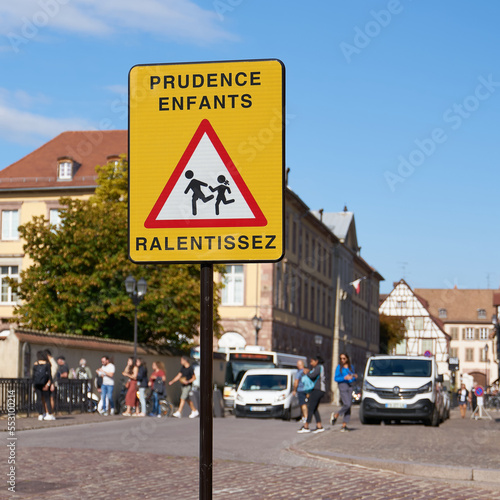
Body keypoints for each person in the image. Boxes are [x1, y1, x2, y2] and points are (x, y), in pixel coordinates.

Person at [298, 354, 325, 434]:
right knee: (315, 408)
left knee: (311, 407)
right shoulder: (318, 367)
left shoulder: (318, 367)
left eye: (312, 361)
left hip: (318, 389)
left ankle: (306, 426)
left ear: (316, 361)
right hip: (317, 389)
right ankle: (319, 426)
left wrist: (307, 372)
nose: (311, 363)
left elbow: (312, 376)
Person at [331, 353, 358, 432]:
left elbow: (352, 377)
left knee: (349, 405)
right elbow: (336, 378)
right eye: (341, 358)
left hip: (350, 386)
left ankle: (344, 425)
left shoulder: (351, 367)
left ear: (347, 359)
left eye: (344, 358)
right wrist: (344, 378)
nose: (342, 360)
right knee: (347, 404)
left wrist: (354, 377)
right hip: (342, 385)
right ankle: (337, 414)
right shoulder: (339, 367)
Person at [32, 351, 55, 421]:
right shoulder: (47, 364)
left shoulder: (35, 364)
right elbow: (49, 375)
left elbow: (33, 376)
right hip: (45, 384)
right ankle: (49, 414)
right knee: (47, 399)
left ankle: (40, 414)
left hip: (37, 384)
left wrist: (33, 385)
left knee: (39, 399)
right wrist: (49, 384)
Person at [292, 359, 308, 424]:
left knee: (302, 404)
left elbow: (296, 382)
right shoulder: (306, 371)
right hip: (307, 389)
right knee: (304, 404)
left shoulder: (299, 372)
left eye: (298, 364)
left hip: (301, 390)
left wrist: (294, 390)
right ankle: (304, 417)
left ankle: (305, 417)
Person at [44, 349, 58, 414]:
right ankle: (47, 412)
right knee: (46, 399)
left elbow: (52, 374)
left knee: (51, 398)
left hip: (51, 383)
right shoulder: (46, 362)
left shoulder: (53, 363)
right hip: (46, 382)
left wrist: (49, 382)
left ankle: (50, 413)